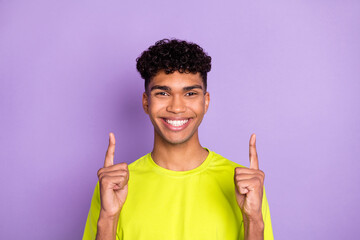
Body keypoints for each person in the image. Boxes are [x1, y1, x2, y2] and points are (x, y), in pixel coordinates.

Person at [83, 39, 274, 240]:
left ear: (205, 101)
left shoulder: (246, 186)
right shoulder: (114, 186)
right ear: (146, 102)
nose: (176, 107)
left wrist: (254, 220)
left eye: (190, 93)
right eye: (163, 93)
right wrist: (108, 217)